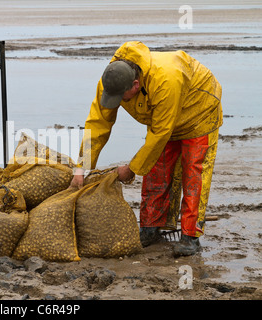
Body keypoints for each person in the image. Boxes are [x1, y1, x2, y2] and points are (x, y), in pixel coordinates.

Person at [71, 41, 223, 256]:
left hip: (199, 110)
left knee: (193, 174)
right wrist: (82, 167)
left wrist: (131, 168)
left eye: (120, 98)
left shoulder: (165, 79)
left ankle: (191, 236)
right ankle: (150, 229)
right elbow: (97, 124)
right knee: (156, 170)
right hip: (165, 115)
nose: (117, 102)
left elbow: (161, 133)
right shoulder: (112, 80)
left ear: (135, 85)